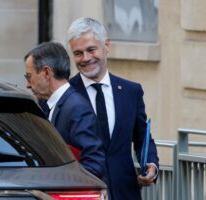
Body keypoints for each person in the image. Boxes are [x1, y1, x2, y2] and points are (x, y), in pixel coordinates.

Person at [67, 17, 159, 200]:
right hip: (85, 194)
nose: (85, 58)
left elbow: (142, 138)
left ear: (106, 45)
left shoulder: (131, 92)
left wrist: (151, 164)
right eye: (78, 53)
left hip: (126, 193)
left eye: (91, 50)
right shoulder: (66, 95)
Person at [23, 41, 107, 179]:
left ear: (46, 72)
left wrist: (56, 180)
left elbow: (94, 165)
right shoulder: (45, 104)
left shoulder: (77, 108)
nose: (27, 84)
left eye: (29, 76)